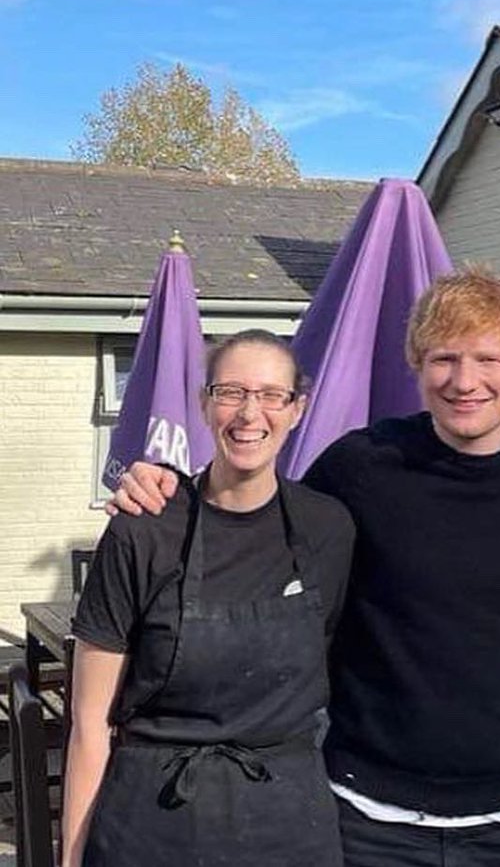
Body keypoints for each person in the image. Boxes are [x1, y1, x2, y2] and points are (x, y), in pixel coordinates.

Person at [111, 268, 500, 867]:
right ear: (416, 364)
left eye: (488, 359)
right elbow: (257, 518)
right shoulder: (362, 465)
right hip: (368, 817)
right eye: (444, 358)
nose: (465, 381)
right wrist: (167, 489)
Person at [63, 330, 356, 867]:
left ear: (297, 409)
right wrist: (71, 859)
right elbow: (88, 724)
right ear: (204, 403)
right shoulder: (143, 530)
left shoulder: (329, 528)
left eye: (271, 395)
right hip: (152, 821)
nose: (250, 414)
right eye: (231, 392)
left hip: (288, 822)